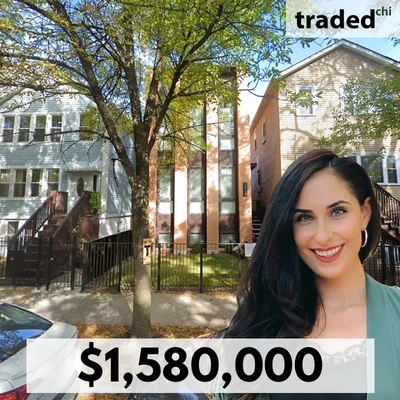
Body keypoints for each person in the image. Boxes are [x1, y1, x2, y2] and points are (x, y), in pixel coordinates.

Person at [215, 149, 400, 400]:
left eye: (337, 212)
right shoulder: (261, 314)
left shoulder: (396, 313)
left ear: (364, 213)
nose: (322, 236)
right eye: (304, 217)